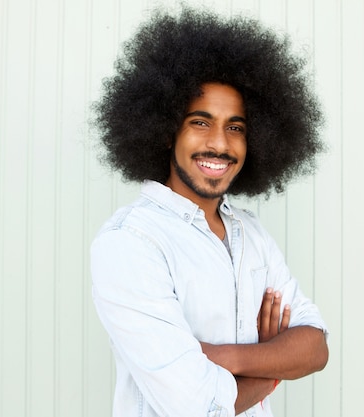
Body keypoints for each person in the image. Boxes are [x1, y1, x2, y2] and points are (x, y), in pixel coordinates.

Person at [90, 6, 328, 417]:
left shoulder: (251, 234)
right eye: (201, 122)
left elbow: (315, 348)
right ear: (165, 131)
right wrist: (273, 363)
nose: (220, 144)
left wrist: (227, 358)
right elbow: (196, 406)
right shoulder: (130, 243)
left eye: (235, 127)